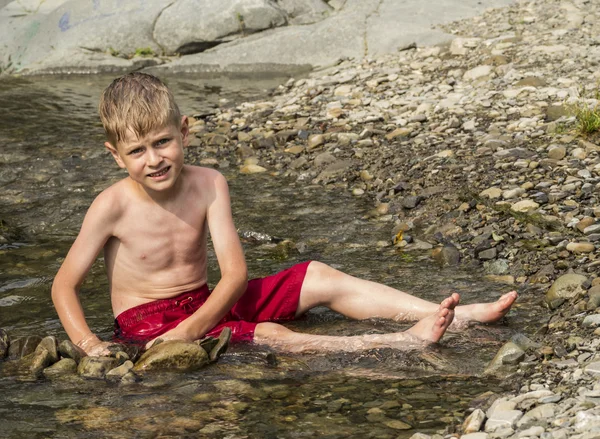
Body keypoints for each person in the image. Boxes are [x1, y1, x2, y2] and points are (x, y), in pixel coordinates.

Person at [51, 72, 518, 357]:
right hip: (149, 324)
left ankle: (451, 315)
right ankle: (401, 342)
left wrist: (195, 326)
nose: (153, 159)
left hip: (204, 302)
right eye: (137, 150)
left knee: (316, 274)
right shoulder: (112, 205)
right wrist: (91, 346)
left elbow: (235, 275)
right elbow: (63, 285)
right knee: (271, 333)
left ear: (184, 131)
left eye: (162, 142)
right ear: (116, 156)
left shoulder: (209, 183)